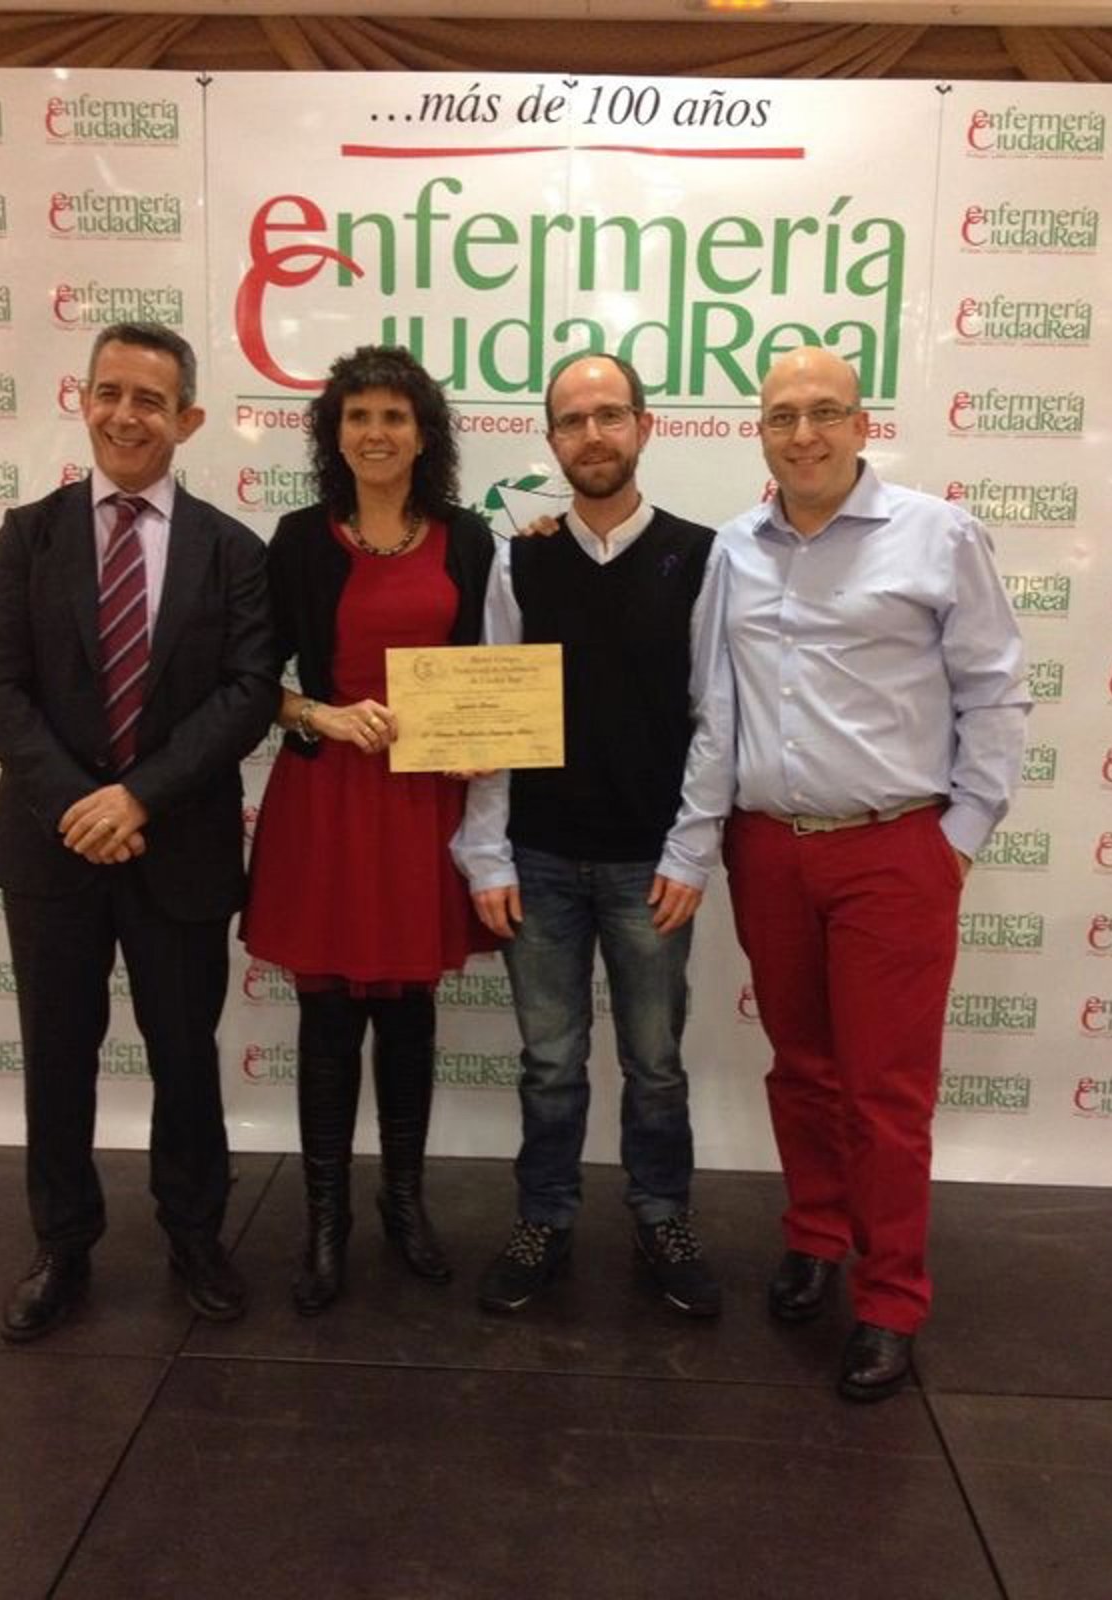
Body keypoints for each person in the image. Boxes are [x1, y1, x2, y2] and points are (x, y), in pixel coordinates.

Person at [720, 347, 1028, 1400]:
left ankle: (891, 1296)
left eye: (823, 412)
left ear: (862, 423)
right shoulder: (734, 549)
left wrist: (961, 834)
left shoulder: (938, 535)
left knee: (886, 1092)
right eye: (781, 416)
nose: (802, 433)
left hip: (895, 849)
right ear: (761, 433)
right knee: (801, 1066)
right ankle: (816, 1234)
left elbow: (995, 690)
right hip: (768, 847)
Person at [0, 321, 279, 1342]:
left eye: (150, 399)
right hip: (51, 846)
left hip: (177, 846)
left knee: (185, 1055)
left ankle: (195, 1234)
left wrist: (137, 797)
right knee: (57, 1058)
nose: (125, 414)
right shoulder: (29, 536)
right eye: (109, 392)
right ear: (83, 399)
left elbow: (245, 695)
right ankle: (62, 1244)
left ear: (188, 418)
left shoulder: (233, 551)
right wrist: (81, 804)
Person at [455, 353, 733, 1317]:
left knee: (655, 1064)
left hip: (650, 866)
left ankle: (662, 1216)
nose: (593, 435)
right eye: (572, 421)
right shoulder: (519, 560)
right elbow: (491, 718)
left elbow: (717, 718)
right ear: (551, 440)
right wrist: (485, 854)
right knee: (550, 1064)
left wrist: (691, 851)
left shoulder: (701, 557)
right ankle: (545, 1218)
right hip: (537, 860)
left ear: (645, 426)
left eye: (610, 415)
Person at [241, 344, 495, 1314]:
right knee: (327, 1018)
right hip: (330, 802)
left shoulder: (469, 539)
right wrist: (320, 713)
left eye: (394, 416)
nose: (376, 433)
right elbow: (250, 681)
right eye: (358, 417)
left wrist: (479, 737)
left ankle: (403, 1202)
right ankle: (324, 1221)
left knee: (410, 1015)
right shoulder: (299, 540)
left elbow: (496, 671)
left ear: (423, 434)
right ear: (334, 435)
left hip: (423, 807)